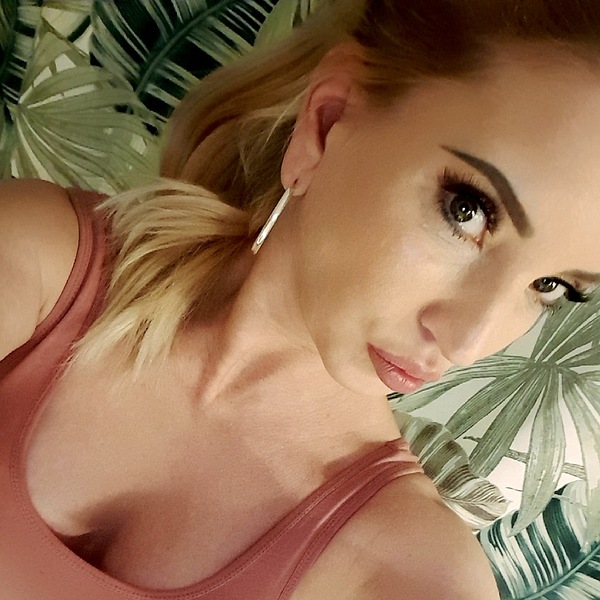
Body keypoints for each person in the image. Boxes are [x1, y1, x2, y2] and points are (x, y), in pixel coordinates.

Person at [1, 0, 600, 598]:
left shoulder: (410, 576)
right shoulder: (36, 262)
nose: (467, 341)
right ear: (327, 120)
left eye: (552, 286)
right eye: (466, 212)